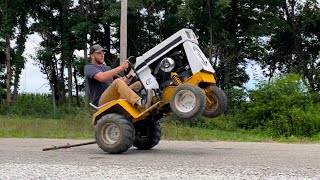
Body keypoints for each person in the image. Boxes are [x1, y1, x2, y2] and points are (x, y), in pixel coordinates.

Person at [84, 44, 150, 108]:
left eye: (103, 53)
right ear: (92, 56)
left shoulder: (107, 68)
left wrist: (131, 73)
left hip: (115, 96)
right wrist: (121, 68)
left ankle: (151, 100)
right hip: (101, 101)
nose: (102, 55)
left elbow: (123, 82)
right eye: (99, 53)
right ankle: (140, 102)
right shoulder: (89, 68)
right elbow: (102, 77)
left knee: (138, 84)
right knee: (117, 82)